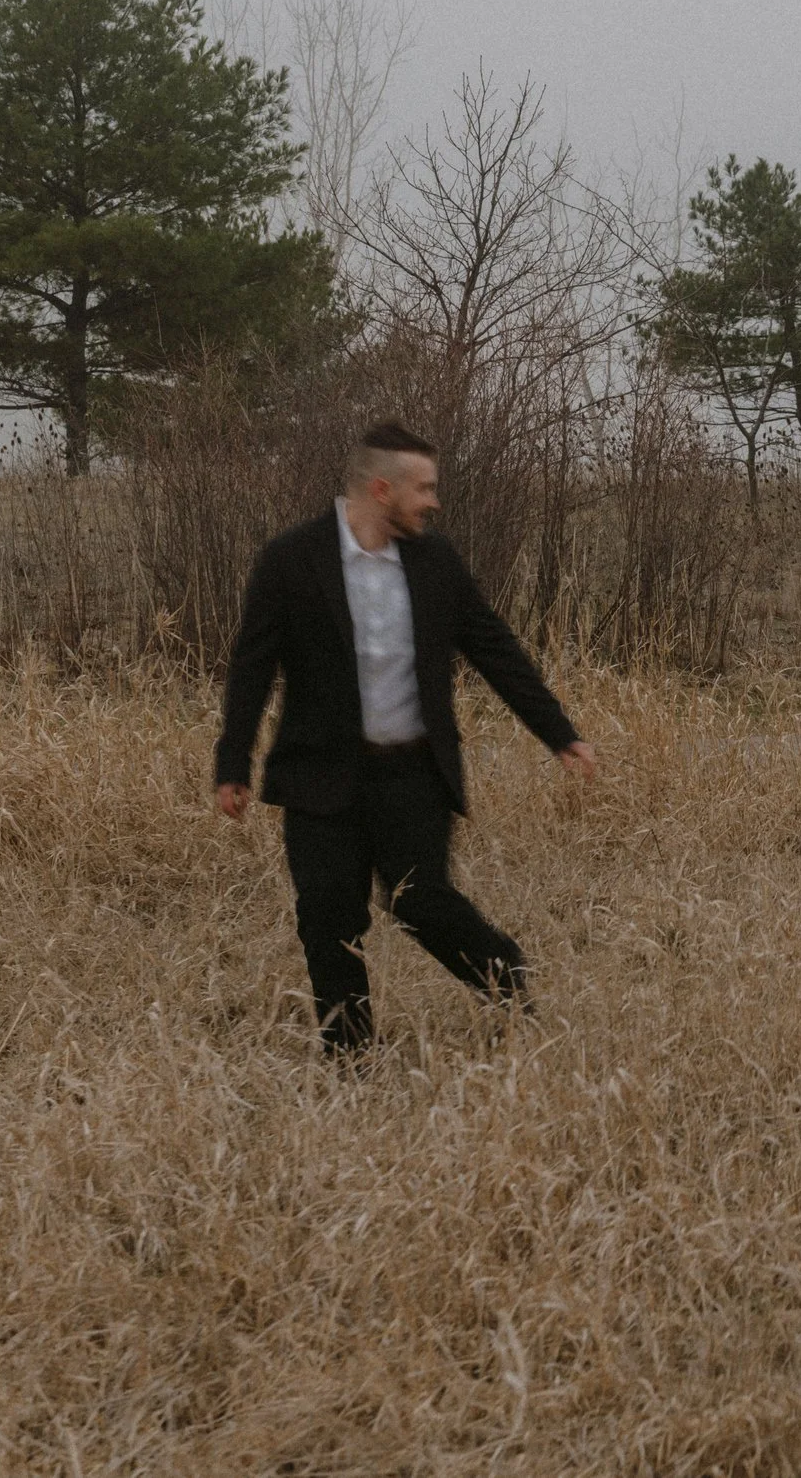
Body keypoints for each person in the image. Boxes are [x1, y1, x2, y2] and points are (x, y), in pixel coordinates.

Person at [215, 423, 596, 1053]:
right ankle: (350, 1061)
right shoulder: (291, 560)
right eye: (424, 489)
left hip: (412, 774)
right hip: (319, 776)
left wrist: (558, 734)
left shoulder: (433, 562)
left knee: (421, 900)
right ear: (382, 487)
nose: (434, 502)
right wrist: (233, 764)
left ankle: (508, 982)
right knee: (328, 920)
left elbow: (493, 647)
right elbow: (251, 668)